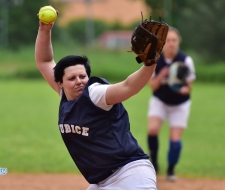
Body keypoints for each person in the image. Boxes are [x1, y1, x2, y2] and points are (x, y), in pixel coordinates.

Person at [35, 20, 158, 189]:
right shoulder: (65, 95)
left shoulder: (95, 93)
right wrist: (44, 29)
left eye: (82, 76)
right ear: (60, 83)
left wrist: (150, 64)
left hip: (130, 175)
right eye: (72, 78)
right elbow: (44, 61)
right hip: (102, 182)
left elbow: (128, 86)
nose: (79, 81)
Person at [147, 26, 196, 181]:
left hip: (179, 104)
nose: (171, 43)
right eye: (168, 40)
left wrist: (182, 89)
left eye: (174, 40)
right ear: (163, 43)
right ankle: (154, 164)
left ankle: (170, 170)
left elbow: (189, 88)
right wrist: (161, 75)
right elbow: (152, 85)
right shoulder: (156, 59)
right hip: (160, 100)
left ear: (178, 42)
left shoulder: (185, 60)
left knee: (175, 141)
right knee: (153, 129)